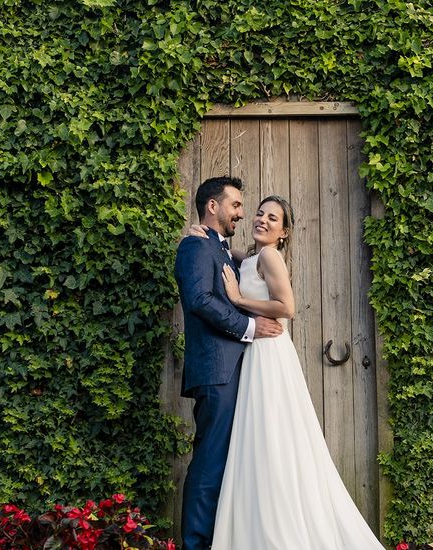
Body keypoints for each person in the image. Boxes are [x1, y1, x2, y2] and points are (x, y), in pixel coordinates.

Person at [188, 195, 384, 549]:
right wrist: (206, 235)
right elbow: (230, 259)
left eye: (272, 218)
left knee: (273, 437)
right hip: (254, 357)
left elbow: (287, 307)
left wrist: (238, 300)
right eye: (260, 213)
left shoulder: (270, 255)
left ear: (284, 232)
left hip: (270, 355)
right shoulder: (250, 257)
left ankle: (279, 528)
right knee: (258, 441)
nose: (261, 219)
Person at [174, 176, 284, 550]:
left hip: (235, 371)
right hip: (217, 369)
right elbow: (200, 300)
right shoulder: (196, 246)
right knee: (210, 462)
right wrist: (250, 326)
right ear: (212, 206)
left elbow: (246, 267)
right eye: (236, 205)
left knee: (228, 461)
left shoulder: (220, 249)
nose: (241, 213)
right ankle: (196, 544)